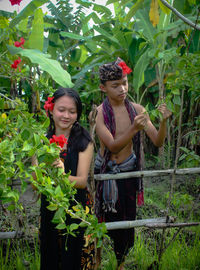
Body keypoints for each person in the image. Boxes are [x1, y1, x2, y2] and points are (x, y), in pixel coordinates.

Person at [93, 57, 172, 270]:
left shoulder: (137, 109)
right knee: (100, 218)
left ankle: (121, 262)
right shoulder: (99, 113)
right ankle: (97, 260)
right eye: (115, 85)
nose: (122, 89)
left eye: (125, 83)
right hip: (106, 172)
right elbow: (113, 146)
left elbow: (158, 140)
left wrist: (163, 121)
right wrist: (134, 129)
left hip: (128, 171)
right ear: (103, 88)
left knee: (127, 221)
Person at [33, 87, 94, 270]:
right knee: (51, 255)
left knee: (75, 258)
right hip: (50, 208)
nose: (66, 115)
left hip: (76, 207)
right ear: (51, 110)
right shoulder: (41, 142)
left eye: (72, 111)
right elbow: (37, 184)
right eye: (61, 110)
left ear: (78, 114)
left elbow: (82, 181)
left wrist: (61, 175)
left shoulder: (84, 141)